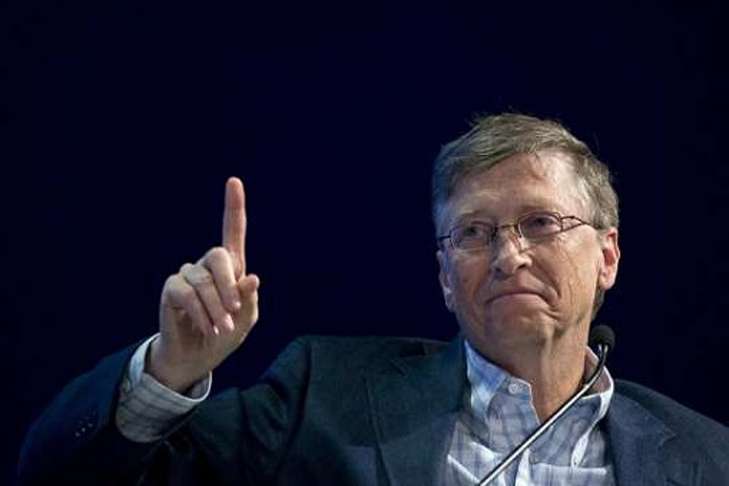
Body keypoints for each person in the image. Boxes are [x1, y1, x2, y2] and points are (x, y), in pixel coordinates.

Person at [18, 114, 728, 485]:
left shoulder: (709, 458)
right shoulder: (324, 399)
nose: (508, 255)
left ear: (607, 256)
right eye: (474, 233)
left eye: (540, 223)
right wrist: (170, 370)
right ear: (444, 276)